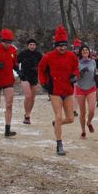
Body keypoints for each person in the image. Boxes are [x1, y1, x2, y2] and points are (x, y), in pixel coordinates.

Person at [38, 25, 79, 156]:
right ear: (56, 46)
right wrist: (43, 83)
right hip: (55, 90)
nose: (62, 48)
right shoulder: (48, 57)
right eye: (60, 46)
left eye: (64, 46)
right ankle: (59, 144)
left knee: (71, 119)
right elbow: (41, 69)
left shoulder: (72, 56)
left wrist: (75, 75)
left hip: (68, 90)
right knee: (58, 116)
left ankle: (57, 124)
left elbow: (76, 68)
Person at [75, 44, 98, 138]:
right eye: (83, 50)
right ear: (80, 52)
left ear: (89, 52)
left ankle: (89, 122)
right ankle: (83, 131)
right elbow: (75, 77)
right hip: (80, 88)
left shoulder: (93, 62)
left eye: (86, 50)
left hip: (91, 87)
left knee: (92, 110)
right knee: (83, 112)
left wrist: (96, 75)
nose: (85, 51)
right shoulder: (77, 63)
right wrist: (81, 72)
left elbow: (95, 71)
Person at [17, 38, 42, 124]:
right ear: (27, 45)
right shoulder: (23, 54)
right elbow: (15, 62)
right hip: (24, 76)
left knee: (32, 98)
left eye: (34, 45)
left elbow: (43, 64)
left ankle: (27, 115)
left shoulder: (38, 54)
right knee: (28, 96)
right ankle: (27, 115)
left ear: (35, 46)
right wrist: (18, 71)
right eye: (30, 45)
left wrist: (38, 69)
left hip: (34, 77)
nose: (32, 46)